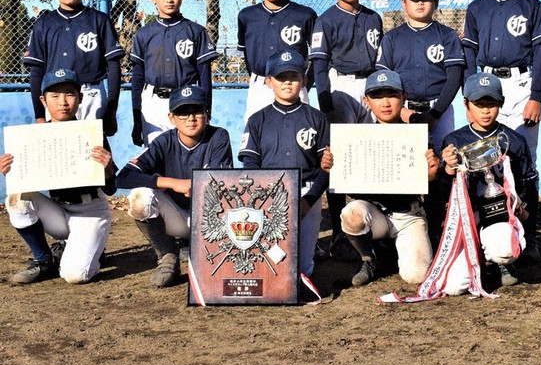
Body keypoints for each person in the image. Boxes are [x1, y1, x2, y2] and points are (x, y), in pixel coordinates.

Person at [462, 0, 541, 259]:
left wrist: (536, 96)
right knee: (484, 161)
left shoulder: (531, 6)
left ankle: (531, 232)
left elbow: (540, 53)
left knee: (525, 160)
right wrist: (470, 93)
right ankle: (489, 229)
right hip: (485, 85)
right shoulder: (477, 8)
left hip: (521, 84)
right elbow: (469, 52)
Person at [0, 69, 115, 284]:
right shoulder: (36, 136)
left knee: (75, 276)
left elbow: (111, 189)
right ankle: (45, 260)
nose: (63, 102)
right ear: (43, 100)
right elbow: (23, 180)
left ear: (80, 98)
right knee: (16, 199)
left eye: (69, 94)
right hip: (59, 212)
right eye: (55, 95)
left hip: (90, 212)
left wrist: (107, 169)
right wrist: (9, 170)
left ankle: (92, 250)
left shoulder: (92, 132)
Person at [328, 70, 438, 287]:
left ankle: (388, 254)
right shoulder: (357, 138)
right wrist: (335, 170)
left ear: (404, 97)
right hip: (375, 214)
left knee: (416, 276)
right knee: (352, 213)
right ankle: (368, 258)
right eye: (377, 96)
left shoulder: (417, 136)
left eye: (392, 95)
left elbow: (433, 192)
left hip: (408, 215)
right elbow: (353, 192)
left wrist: (431, 178)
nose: (385, 103)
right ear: (366, 101)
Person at [117, 85, 233, 287]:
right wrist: (172, 183)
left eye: (197, 110)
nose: (191, 118)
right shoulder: (164, 142)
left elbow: (220, 182)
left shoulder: (218, 137)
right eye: (183, 112)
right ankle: (167, 255)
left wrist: (195, 185)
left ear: (207, 114)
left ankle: (198, 247)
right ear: (171, 117)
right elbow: (124, 177)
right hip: (177, 216)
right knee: (140, 197)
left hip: (211, 219)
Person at [309, 0, 383, 260]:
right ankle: (340, 231)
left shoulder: (373, 17)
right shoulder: (325, 20)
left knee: (372, 154)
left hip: (371, 86)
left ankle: (369, 221)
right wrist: (326, 104)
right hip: (341, 87)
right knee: (339, 158)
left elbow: (381, 60)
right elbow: (319, 66)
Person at [439, 72, 536, 292]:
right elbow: (442, 191)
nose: (485, 110)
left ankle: (501, 262)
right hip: (466, 218)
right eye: (478, 103)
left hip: (500, 217)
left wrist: (524, 216)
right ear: (466, 104)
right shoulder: (454, 141)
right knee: (454, 287)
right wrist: (447, 169)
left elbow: (525, 186)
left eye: (491, 103)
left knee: (505, 249)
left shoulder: (514, 141)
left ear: (500, 104)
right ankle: (478, 258)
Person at [239, 50, 330, 277]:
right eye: (280, 77)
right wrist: (264, 198)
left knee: (302, 269)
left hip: (307, 192)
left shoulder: (317, 118)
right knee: (271, 264)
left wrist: (309, 200)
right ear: (269, 82)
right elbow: (250, 164)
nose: (287, 82)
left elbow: (327, 168)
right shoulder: (257, 120)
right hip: (268, 194)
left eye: (294, 76)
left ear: (304, 80)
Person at [23, 0, 124, 136]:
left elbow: (114, 66)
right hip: (55, 97)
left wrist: (112, 108)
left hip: (91, 93)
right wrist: (39, 115)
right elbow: (36, 70)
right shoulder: (43, 24)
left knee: (93, 153)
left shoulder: (99, 20)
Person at [376, 0, 464, 154]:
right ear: (403, 2)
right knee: (403, 160)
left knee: (442, 161)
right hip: (403, 110)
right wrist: (400, 111)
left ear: (436, 2)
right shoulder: (392, 38)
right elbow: (383, 81)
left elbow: (454, 78)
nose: (420, 3)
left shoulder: (447, 35)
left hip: (440, 108)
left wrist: (435, 114)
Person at [130, 0, 218, 147]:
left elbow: (204, 76)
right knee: (155, 155)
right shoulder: (144, 34)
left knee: (188, 152)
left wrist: (206, 110)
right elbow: (138, 78)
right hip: (153, 101)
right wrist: (137, 118)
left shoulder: (196, 31)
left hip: (187, 101)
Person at [238, 0, 317, 122]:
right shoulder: (247, 16)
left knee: (300, 135)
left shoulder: (304, 14)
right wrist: (257, 79)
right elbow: (247, 56)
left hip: (294, 83)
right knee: (256, 137)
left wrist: (305, 82)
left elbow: (318, 55)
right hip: (260, 85)